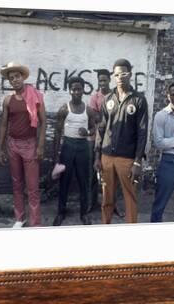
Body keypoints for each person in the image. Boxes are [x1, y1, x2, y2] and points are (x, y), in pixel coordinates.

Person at [94, 58, 148, 224]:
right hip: (106, 157)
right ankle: (105, 225)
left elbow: (142, 132)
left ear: (130, 74)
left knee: (130, 197)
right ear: (113, 76)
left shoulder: (138, 100)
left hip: (127, 159)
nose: (120, 77)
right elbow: (101, 129)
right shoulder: (107, 99)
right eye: (117, 74)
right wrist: (97, 156)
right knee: (107, 197)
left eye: (123, 73)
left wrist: (138, 162)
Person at [0, 62, 46, 228]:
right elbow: (4, 124)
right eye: (11, 78)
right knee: (17, 184)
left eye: (17, 76)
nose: (14, 80)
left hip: (30, 144)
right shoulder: (8, 100)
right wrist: (1, 148)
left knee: (32, 186)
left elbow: (43, 121)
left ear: (22, 77)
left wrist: (40, 146)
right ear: (9, 81)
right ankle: (20, 218)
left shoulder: (35, 95)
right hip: (13, 145)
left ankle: (35, 222)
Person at [52, 76, 96, 226]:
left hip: (83, 147)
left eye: (79, 89)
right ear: (70, 90)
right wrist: (56, 155)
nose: (76, 91)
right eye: (73, 89)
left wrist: (88, 132)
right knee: (64, 181)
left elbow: (93, 128)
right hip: (68, 147)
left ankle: (84, 213)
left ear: (83, 90)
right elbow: (57, 132)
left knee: (84, 181)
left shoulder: (88, 110)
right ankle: (60, 212)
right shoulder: (64, 109)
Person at [89, 69, 125, 218]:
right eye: (100, 80)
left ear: (109, 81)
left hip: (113, 141)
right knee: (93, 173)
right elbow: (94, 117)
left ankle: (113, 204)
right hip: (97, 138)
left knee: (113, 175)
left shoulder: (116, 95)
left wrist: (104, 117)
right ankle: (92, 203)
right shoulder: (94, 97)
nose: (102, 83)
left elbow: (119, 117)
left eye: (105, 80)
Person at [151, 81, 174, 222]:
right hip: (169, 161)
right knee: (160, 204)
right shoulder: (161, 115)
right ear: (168, 96)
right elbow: (158, 142)